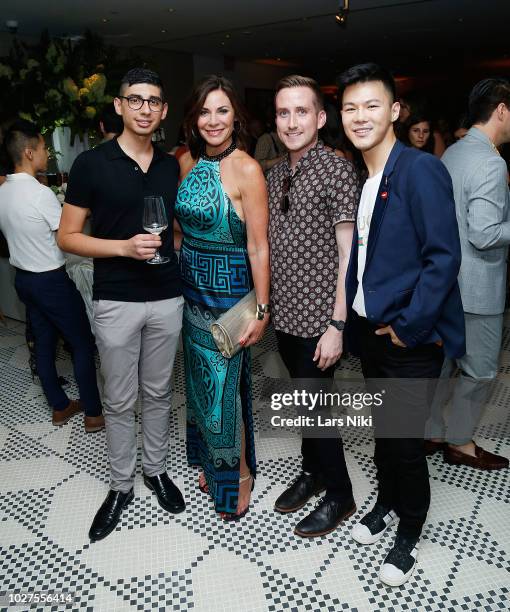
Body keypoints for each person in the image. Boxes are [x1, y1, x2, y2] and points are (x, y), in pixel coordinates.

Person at [339, 63, 465, 586]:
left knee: (407, 442)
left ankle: (409, 531)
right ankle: (387, 502)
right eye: (350, 107)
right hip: (372, 331)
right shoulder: (366, 178)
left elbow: (444, 257)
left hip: (409, 336)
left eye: (372, 105)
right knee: (386, 431)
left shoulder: (419, 169)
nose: (360, 116)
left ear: (395, 111)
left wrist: (410, 325)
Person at [58, 68, 185, 542]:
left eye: (154, 101)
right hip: (116, 299)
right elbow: (67, 238)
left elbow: (173, 229)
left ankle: (154, 471)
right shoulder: (93, 164)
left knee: (157, 392)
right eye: (136, 100)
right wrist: (123, 247)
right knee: (118, 398)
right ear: (119, 106)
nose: (145, 109)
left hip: (167, 296)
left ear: (164, 110)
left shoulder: (172, 165)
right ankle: (120, 485)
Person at [175, 75, 270, 521]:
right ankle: (213, 464)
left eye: (223, 110)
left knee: (225, 394)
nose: (213, 120)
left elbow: (258, 246)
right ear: (195, 118)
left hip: (229, 298)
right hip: (190, 291)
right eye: (205, 111)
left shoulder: (248, 169)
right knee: (198, 386)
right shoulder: (186, 161)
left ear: (236, 116)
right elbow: (180, 227)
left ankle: (240, 475)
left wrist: (262, 309)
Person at [268, 75, 359, 538]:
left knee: (314, 409)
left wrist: (337, 324)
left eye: (302, 111)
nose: (292, 121)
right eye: (284, 112)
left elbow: (349, 257)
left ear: (321, 118)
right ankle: (312, 471)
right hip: (285, 316)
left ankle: (340, 494)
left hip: (320, 319)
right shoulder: (276, 172)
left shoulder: (336, 170)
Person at [426, 78, 510, 470]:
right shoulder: (492, 162)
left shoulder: (454, 153)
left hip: (448, 284)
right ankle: (459, 442)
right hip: (477, 288)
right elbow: (485, 232)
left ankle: (431, 430)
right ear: (502, 110)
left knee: (445, 364)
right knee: (479, 372)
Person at [0, 121, 104, 432]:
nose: (47, 153)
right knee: (82, 343)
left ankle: (59, 406)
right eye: (44, 148)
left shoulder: (3, 191)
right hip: (51, 280)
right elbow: (67, 236)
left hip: (23, 280)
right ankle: (94, 413)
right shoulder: (40, 193)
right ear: (29, 152)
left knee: (43, 343)